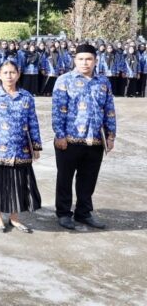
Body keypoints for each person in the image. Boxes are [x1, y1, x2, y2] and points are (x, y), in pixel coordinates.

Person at [52, 44, 116, 230]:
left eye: (89, 59)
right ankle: (64, 213)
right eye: (80, 59)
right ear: (75, 60)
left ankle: (83, 212)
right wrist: (60, 135)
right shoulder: (64, 80)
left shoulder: (103, 82)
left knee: (88, 179)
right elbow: (58, 110)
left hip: (95, 139)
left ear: (95, 61)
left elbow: (109, 110)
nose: (85, 63)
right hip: (69, 140)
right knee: (65, 179)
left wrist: (111, 135)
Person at [0, 60, 42, 233]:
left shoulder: (26, 96)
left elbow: (33, 121)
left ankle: (14, 218)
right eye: (5, 73)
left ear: (18, 74)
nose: (9, 76)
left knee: (19, 184)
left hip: (21, 149)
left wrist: (36, 145)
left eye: (12, 72)